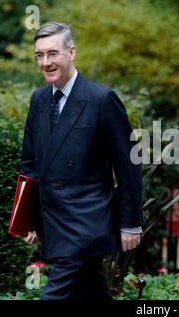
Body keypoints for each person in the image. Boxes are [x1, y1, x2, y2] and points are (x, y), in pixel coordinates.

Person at [19, 22, 143, 300]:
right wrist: (27, 216)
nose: (46, 62)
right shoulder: (38, 99)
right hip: (54, 221)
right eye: (39, 55)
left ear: (71, 52)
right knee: (92, 291)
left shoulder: (101, 99)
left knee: (54, 295)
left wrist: (131, 223)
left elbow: (128, 165)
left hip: (88, 223)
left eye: (53, 54)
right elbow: (29, 163)